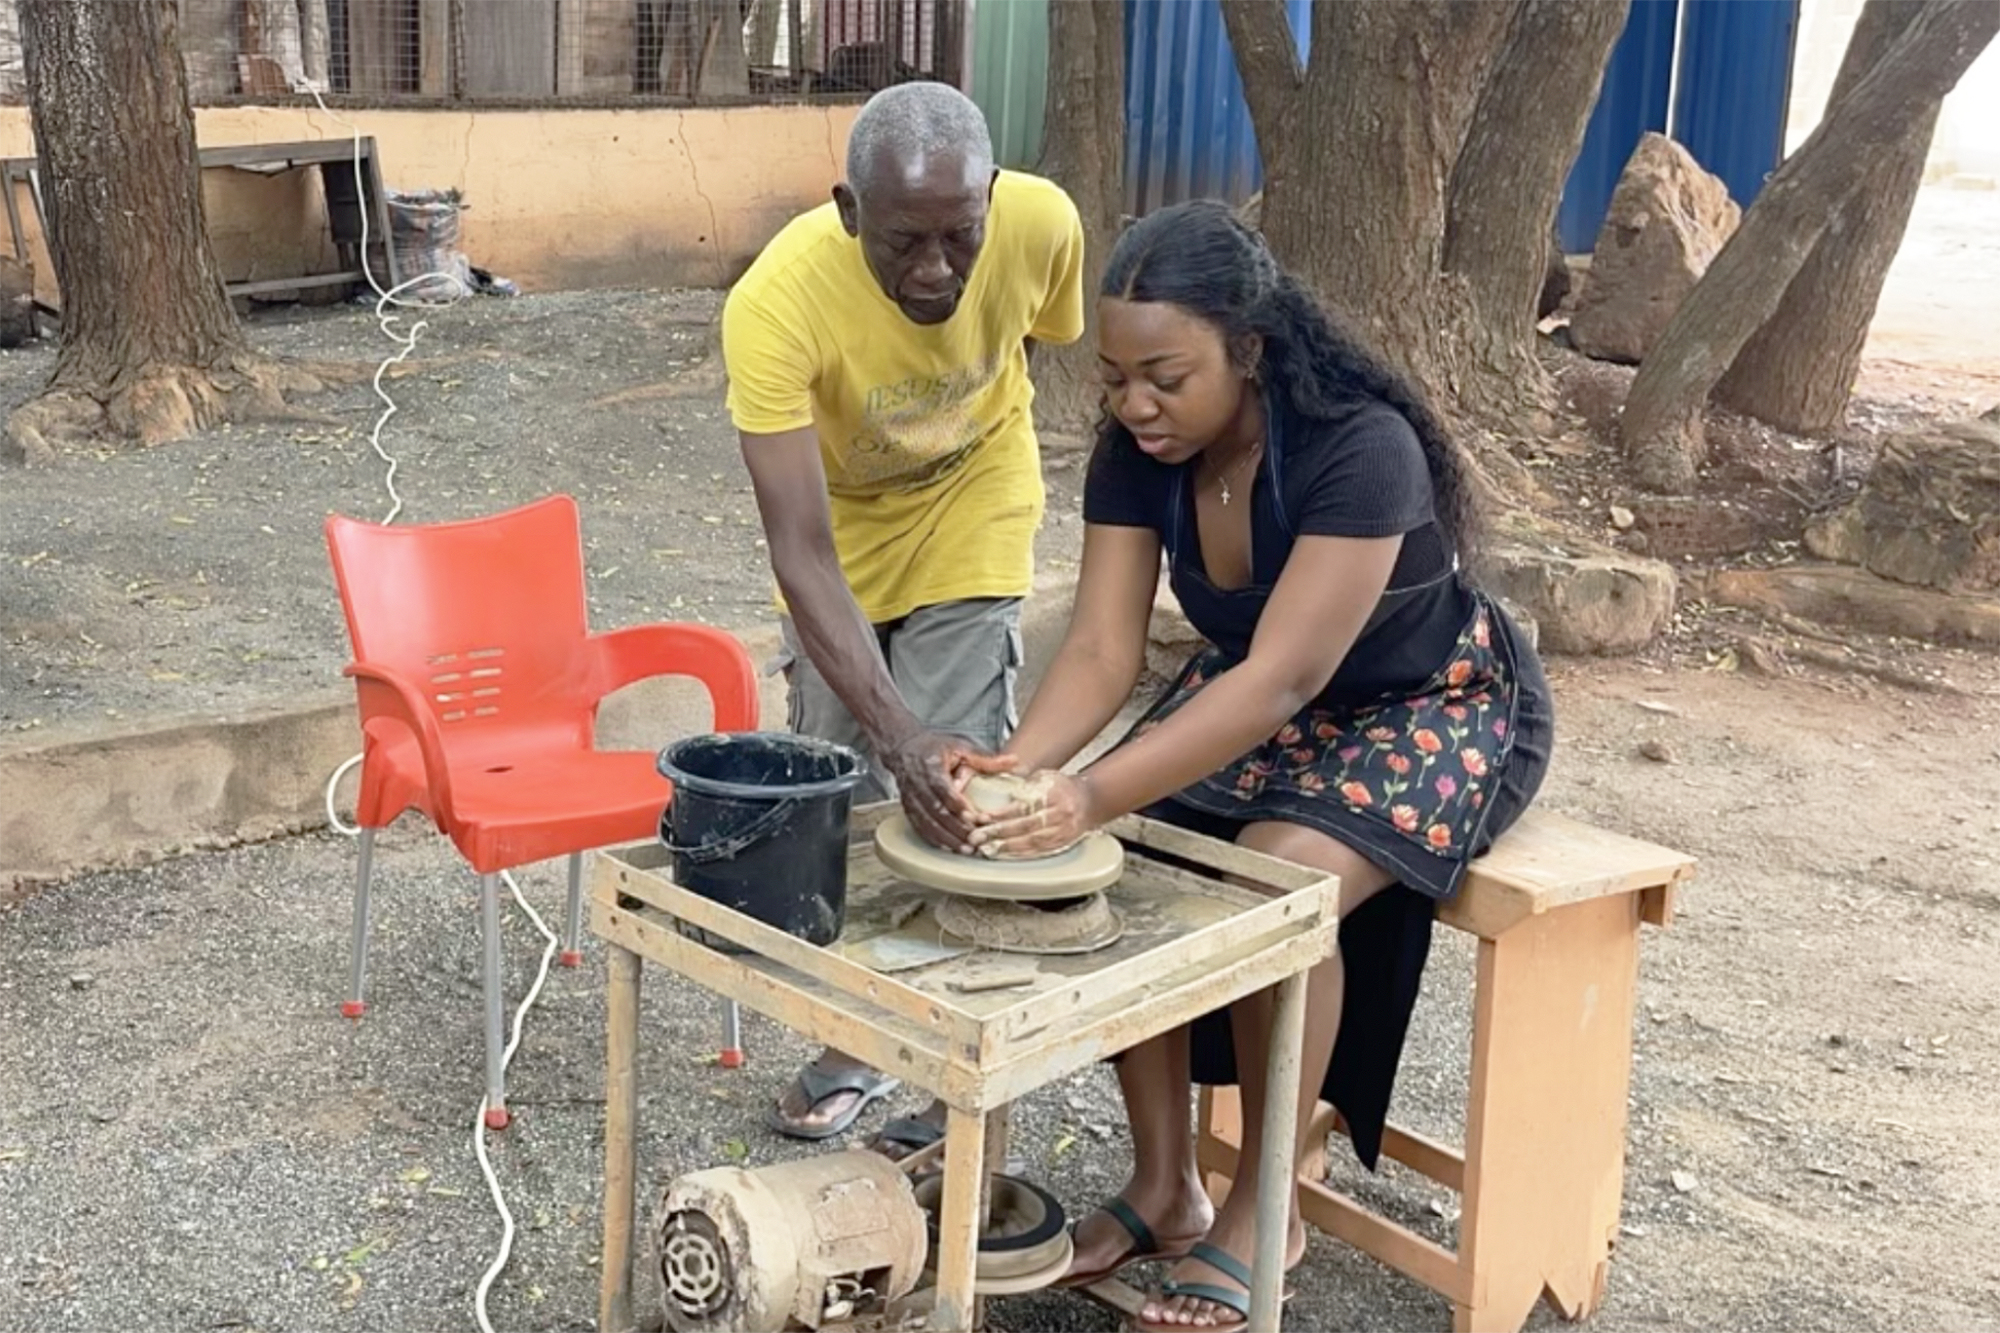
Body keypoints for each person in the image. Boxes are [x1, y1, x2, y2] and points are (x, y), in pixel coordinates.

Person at [959, 200, 1555, 1330]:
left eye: (1166, 376)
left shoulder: (1355, 446)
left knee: (1271, 882)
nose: (1136, 403)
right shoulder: (1138, 454)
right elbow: (1098, 647)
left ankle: (1261, 1199)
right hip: (1268, 705)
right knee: (1120, 858)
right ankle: (1162, 1184)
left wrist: (1084, 789)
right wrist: (1022, 768)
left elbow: (1282, 675)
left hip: (1428, 703)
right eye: (1115, 377)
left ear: (1249, 350)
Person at [720, 80, 1085, 1147]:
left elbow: (1044, 337)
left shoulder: (1041, 224)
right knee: (837, 779)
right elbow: (797, 546)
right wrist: (891, 727)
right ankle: (854, 1029)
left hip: (975, 497)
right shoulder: (775, 304)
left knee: (955, 781)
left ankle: (950, 1071)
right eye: (901, 244)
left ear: (992, 200)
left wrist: (925, 736)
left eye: (958, 238)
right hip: (838, 532)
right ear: (847, 211)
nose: (934, 271)